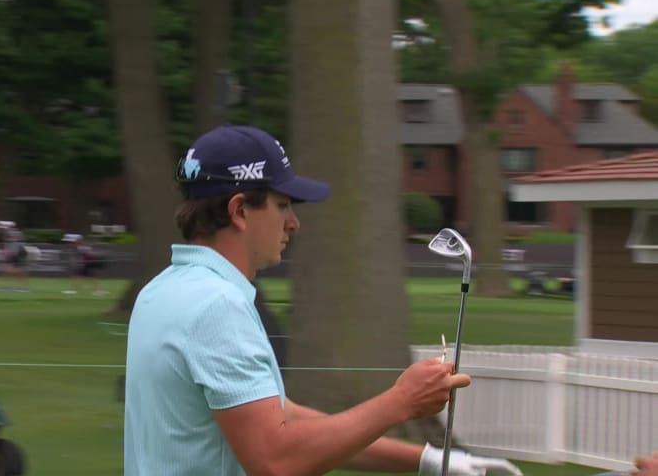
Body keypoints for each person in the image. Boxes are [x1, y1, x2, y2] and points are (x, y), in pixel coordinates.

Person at [124, 125, 523, 475]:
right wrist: (401, 401)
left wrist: (426, 460)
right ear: (240, 210)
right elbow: (277, 461)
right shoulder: (216, 306)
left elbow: (284, 417)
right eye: (282, 206)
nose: (293, 223)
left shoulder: (161, 291)